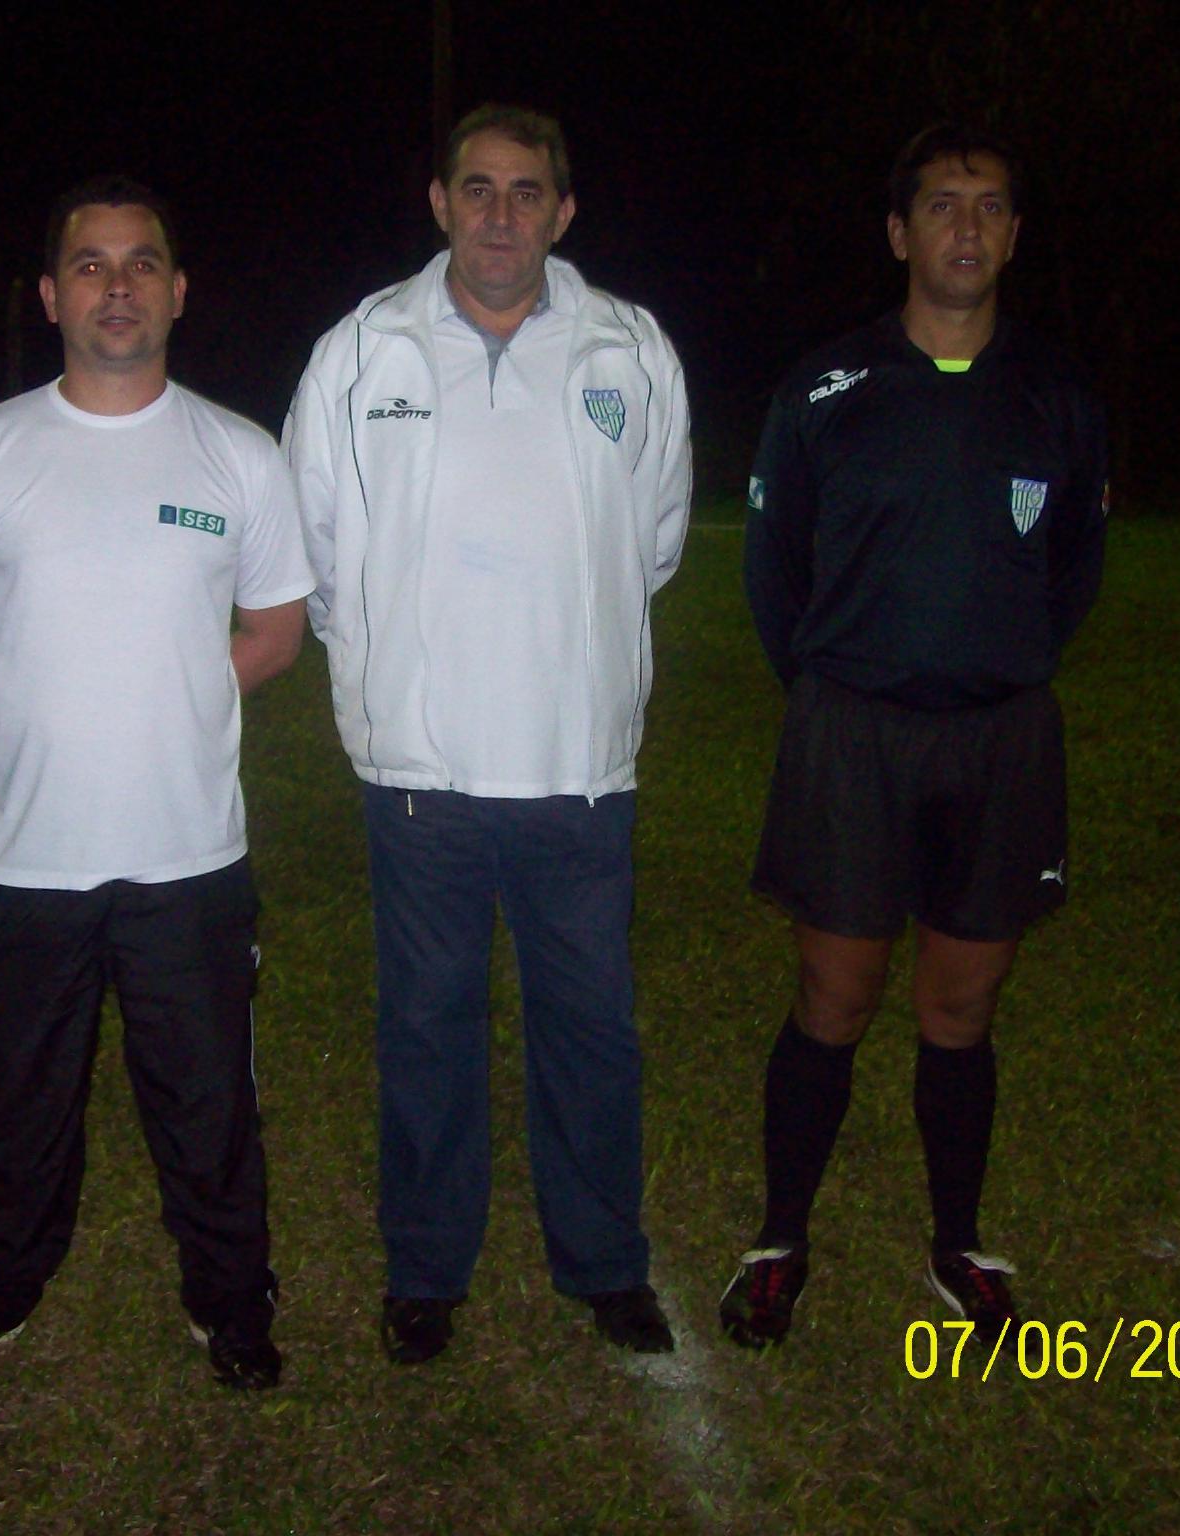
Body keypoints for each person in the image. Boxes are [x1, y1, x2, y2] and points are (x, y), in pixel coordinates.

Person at [0, 176, 313, 1394]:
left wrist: (165, 692)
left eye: (139, 265)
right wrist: (36, 685)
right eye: (89, 264)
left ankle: (230, 1301)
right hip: (23, 856)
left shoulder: (238, 455)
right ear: (49, 295)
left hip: (188, 857)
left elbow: (275, 631)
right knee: (10, 1106)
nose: (115, 286)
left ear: (177, 293)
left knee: (208, 1106)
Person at [284, 104, 692, 1363]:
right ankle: (424, 1272)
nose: (499, 214)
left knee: (589, 1026)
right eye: (477, 189)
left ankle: (603, 1263)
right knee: (426, 1026)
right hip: (423, 769)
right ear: (439, 203)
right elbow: (315, 549)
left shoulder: (628, 349)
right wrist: (390, 678)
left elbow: (654, 541)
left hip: (577, 763)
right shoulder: (362, 351)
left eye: (525, 192)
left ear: (562, 211)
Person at [723, 125, 1108, 1347]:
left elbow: (1072, 573)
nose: (964, 227)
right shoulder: (823, 389)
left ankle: (955, 1244)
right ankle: (779, 1240)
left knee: (960, 1005)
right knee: (832, 995)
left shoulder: (1056, 394)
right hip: (852, 734)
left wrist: (983, 668)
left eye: (987, 207)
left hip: (998, 742)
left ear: (1012, 235)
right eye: (941, 205)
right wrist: (850, 685)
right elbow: (773, 574)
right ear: (899, 233)